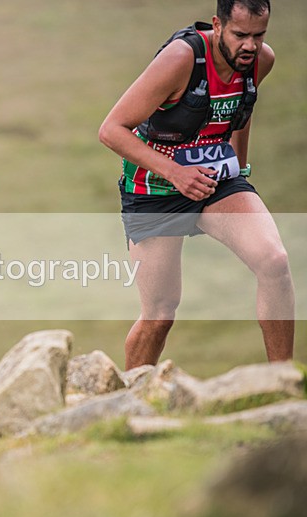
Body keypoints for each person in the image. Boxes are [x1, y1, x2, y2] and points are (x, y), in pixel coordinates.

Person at [99, 0, 294, 370]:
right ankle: (130, 402)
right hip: (154, 187)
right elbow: (111, 130)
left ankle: (282, 383)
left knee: (275, 262)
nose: (250, 46)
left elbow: (241, 107)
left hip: (215, 181)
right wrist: (176, 173)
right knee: (160, 313)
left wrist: (237, 168)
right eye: (240, 35)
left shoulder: (260, 60)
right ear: (218, 26)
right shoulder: (181, 59)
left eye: (259, 34)